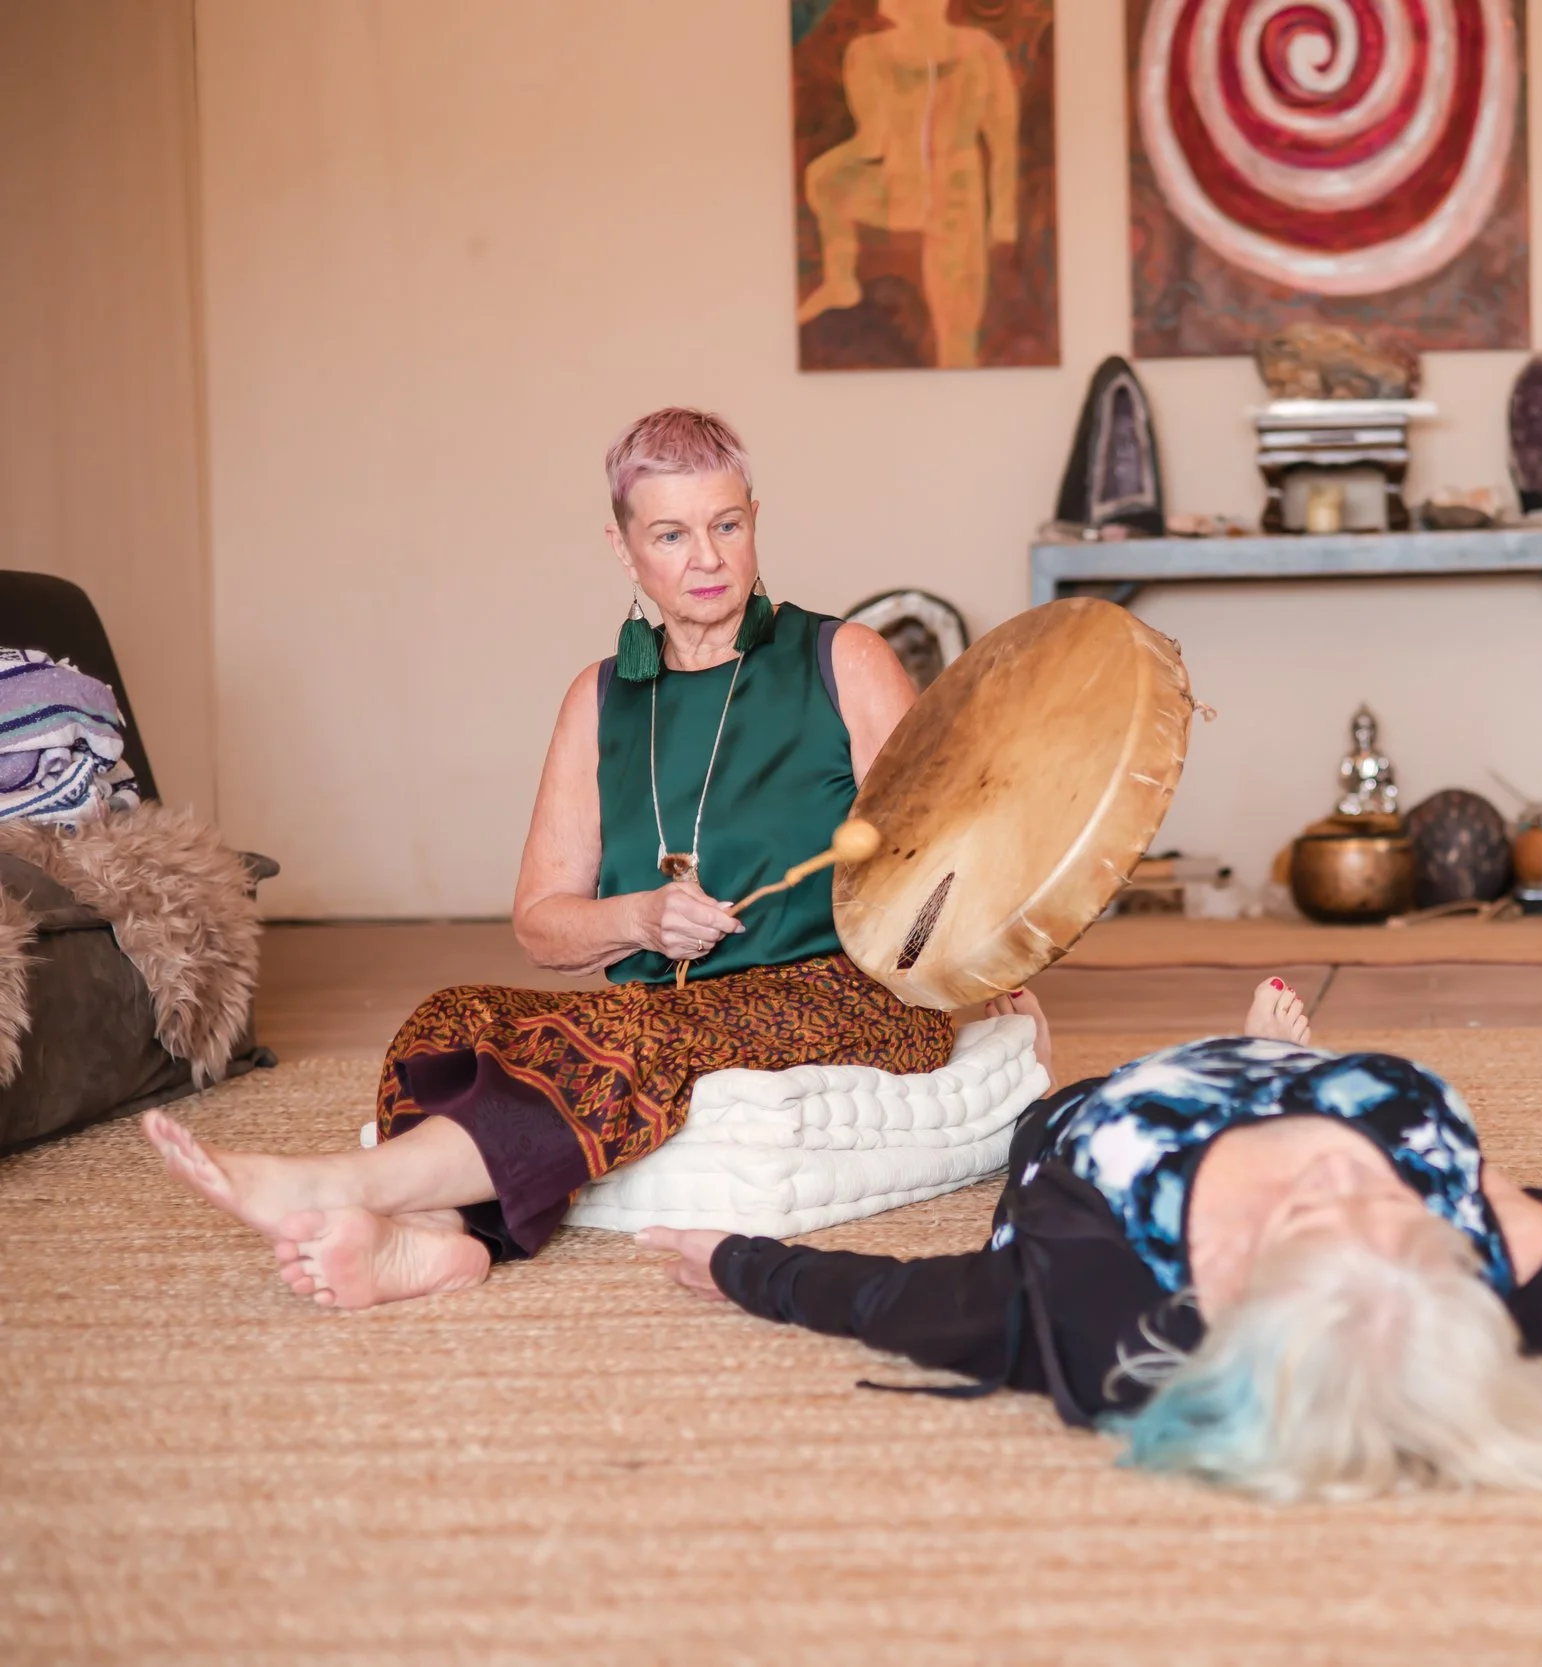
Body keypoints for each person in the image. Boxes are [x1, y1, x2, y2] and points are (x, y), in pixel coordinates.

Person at [143, 408, 956, 1307]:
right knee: (451, 1017)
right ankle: (441, 1237)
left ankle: (345, 1186)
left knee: (625, 1035)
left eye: (727, 525)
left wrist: (993, 973)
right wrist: (641, 917)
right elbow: (542, 923)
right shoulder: (598, 698)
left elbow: (941, 865)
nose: (708, 558)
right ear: (622, 547)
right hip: (661, 1004)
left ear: (755, 518)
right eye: (671, 534)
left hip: (842, 991)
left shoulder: (843, 659)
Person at [642, 979, 1542, 1502]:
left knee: (1040, 1093)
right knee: (1350, 1118)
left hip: (1111, 1126)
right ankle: (1267, 1051)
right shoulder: (1535, 1272)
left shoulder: (1098, 1309)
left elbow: (887, 1301)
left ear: (1240, 1291)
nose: (1341, 1175)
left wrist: (730, 1257)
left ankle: (1211, 1056)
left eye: (1307, 1219)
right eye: (1393, 1210)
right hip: (1311, 1079)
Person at [796, 0, 1020, 367]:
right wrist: (825, 170)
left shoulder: (978, 50)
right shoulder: (869, 52)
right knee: (824, 179)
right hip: (903, 188)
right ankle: (840, 281)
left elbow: (1002, 139)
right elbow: (874, 140)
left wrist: (1004, 218)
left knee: (958, 335)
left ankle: (841, 281)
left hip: (953, 197)